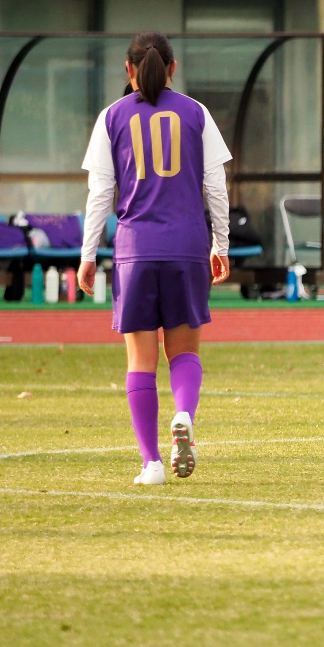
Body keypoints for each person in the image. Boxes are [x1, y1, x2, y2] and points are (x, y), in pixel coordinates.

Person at [77, 32, 232, 485]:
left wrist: (88, 254)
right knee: (183, 351)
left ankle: (151, 464)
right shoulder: (196, 113)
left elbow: (100, 194)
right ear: (173, 67)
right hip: (185, 245)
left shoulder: (111, 117)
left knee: (140, 360)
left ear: (128, 70)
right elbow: (216, 186)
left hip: (135, 249)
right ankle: (183, 415)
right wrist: (219, 244)